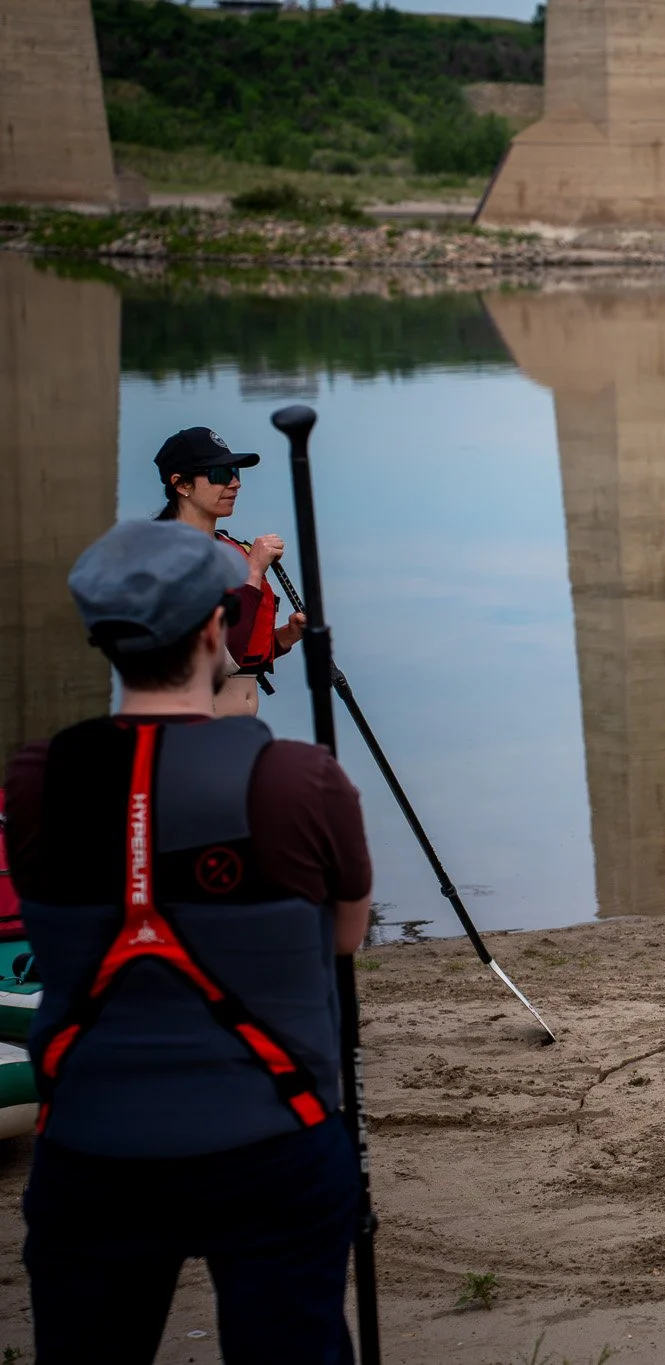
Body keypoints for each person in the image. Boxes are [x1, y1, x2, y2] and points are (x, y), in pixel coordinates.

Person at [3, 519, 372, 1364]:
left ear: (102, 638)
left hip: (90, 1145)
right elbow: (344, 938)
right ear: (215, 627)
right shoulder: (297, 779)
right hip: (275, 1138)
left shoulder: (35, 779)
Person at [153, 426, 306, 717]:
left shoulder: (227, 546)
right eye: (220, 475)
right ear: (182, 484)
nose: (235, 483)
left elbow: (241, 652)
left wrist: (288, 635)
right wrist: (254, 572)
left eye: (235, 472)